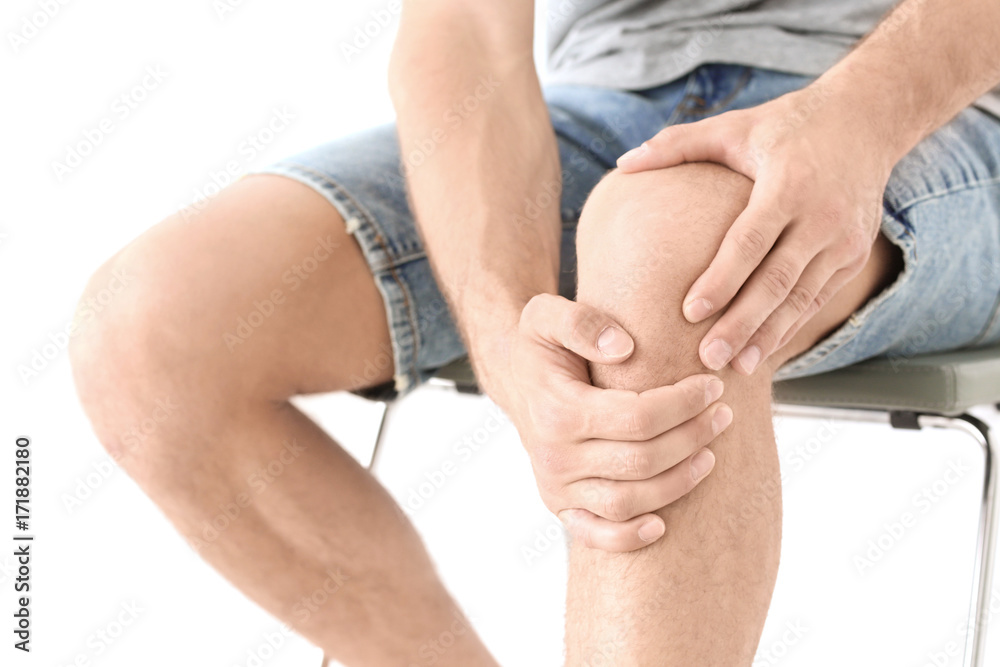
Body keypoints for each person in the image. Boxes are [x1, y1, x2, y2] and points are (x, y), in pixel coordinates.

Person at [69, 0, 1000, 664]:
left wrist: (859, 118)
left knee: (665, 254)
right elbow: (464, 27)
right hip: (609, 109)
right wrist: (502, 329)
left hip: (938, 102)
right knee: (148, 330)